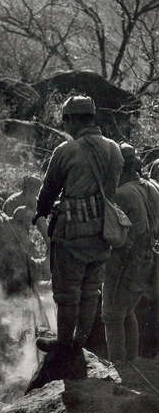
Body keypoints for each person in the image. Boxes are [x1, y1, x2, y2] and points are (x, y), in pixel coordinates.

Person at [28, 95, 124, 389]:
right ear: (92, 117)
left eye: (65, 120)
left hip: (72, 233)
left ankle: (65, 346)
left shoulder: (66, 150)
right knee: (91, 290)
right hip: (103, 233)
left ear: (71, 119)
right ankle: (79, 343)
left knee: (67, 294)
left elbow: (49, 190)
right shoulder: (115, 150)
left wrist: (40, 213)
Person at [102, 144, 159, 364]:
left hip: (125, 260)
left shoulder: (121, 194)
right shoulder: (152, 187)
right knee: (127, 311)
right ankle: (131, 363)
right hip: (147, 259)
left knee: (112, 315)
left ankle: (118, 365)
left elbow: (118, 233)